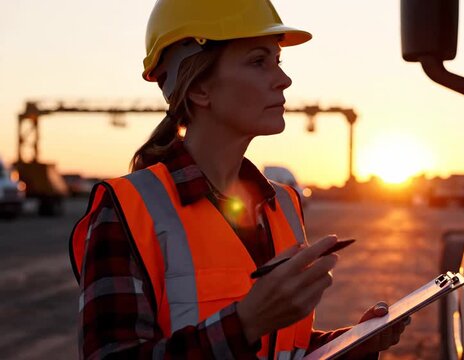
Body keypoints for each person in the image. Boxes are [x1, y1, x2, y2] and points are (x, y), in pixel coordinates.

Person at [69, 0, 409, 358]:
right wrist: (245, 324)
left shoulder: (284, 206)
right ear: (200, 88)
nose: (284, 80)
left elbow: (283, 347)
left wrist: (347, 345)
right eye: (258, 61)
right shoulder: (127, 208)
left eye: (278, 62)